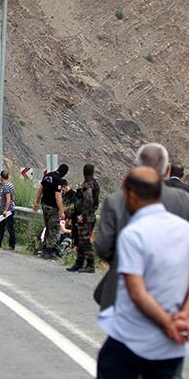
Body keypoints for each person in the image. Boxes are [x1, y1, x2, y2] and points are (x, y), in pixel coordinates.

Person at [96, 166, 189, 378]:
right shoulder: (185, 230)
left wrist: (166, 323)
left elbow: (137, 293)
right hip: (170, 345)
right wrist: (183, 317)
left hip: (131, 339)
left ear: (131, 195)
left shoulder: (134, 234)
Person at [95, 143, 189, 311]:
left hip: (123, 292)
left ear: (136, 167)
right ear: (167, 170)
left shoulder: (116, 201)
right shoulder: (184, 201)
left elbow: (103, 247)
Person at [67, 164, 100, 273]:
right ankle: (79, 263)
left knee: (85, 240)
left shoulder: (88, 184)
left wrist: (83, 214)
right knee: (81, 240)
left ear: (84, 171)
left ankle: (90, 264)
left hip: (86, 216)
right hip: (90, 215)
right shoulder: (95, 183)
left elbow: (88, 199)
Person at [33, 163, 68, 258]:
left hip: (44, 205)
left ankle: (45, 247)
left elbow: (40, 189)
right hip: (53, 208)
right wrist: (62, 211)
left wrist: (36, 202)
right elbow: (58, 196)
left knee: (48, 227)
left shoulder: (47, 175)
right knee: (54, 228)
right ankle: (49, 249)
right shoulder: (58, 180)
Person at [0, 170, 15, 250]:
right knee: (1, 227)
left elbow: (8, 199)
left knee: (9, 228)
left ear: (1, 177)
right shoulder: (10, 184)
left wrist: (5, 210)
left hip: (7, 211)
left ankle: (12, 245)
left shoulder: (6, 186)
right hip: (7, 210)